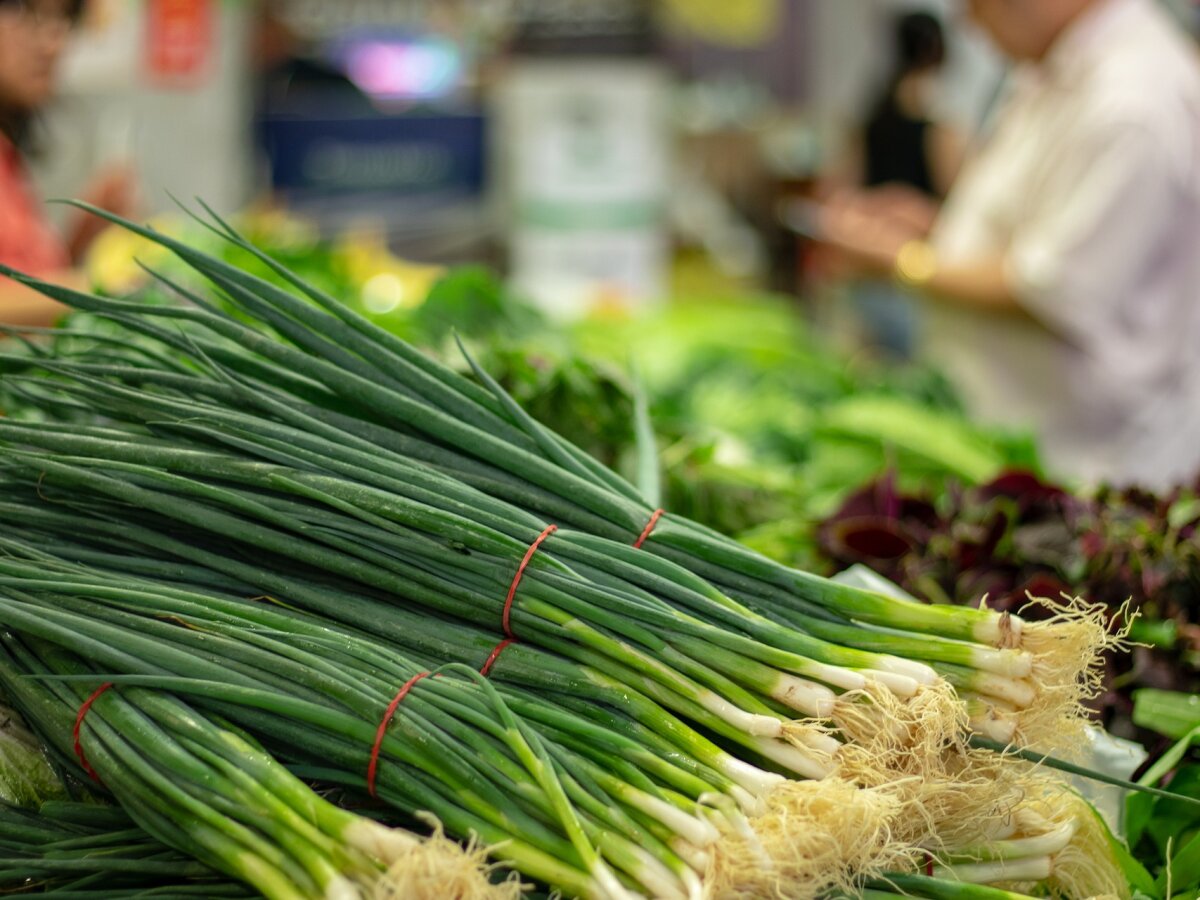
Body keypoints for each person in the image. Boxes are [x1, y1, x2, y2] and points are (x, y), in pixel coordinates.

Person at [818, 0, 1200, 490]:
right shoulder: (1055, 75)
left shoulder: (1132, 97)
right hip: (1026, 450)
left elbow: (1051, 285)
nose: (969, 20)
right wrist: (934, 231)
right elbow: (1039, 232)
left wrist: (904, 261)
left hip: (1093, 468)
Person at [0, 0, 135, 326]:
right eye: (20, 9)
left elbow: (24, 288)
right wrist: (95, 288)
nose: (52, 42)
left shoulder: (10, 157)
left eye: (63, 18)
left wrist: (81, 241)